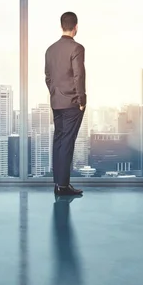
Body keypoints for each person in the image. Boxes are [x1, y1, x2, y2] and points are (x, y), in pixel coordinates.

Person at [45, 12, 86, 196]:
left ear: (62, 26)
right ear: (75, 26)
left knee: (59, 141)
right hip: (72, 103)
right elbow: (78, 75)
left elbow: (48, 77)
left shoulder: (50, 49)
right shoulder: (77, 48)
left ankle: (58, 184)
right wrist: (81, 99)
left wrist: (55, 93)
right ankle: (63, 186)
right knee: (67, 143)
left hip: (56, 101)